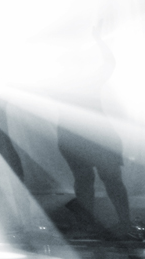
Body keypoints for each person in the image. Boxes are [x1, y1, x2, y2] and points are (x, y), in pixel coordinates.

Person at [56, 24, 139, 242]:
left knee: (96, 180)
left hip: (87, 138)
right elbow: (109, 64)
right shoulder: (74, 83)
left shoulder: (70, 84)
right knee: (99, 180)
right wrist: (98, 39)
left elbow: (109, 64)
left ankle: (114, 223)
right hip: (83, 138)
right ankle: (113, 223)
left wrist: (98, 39)